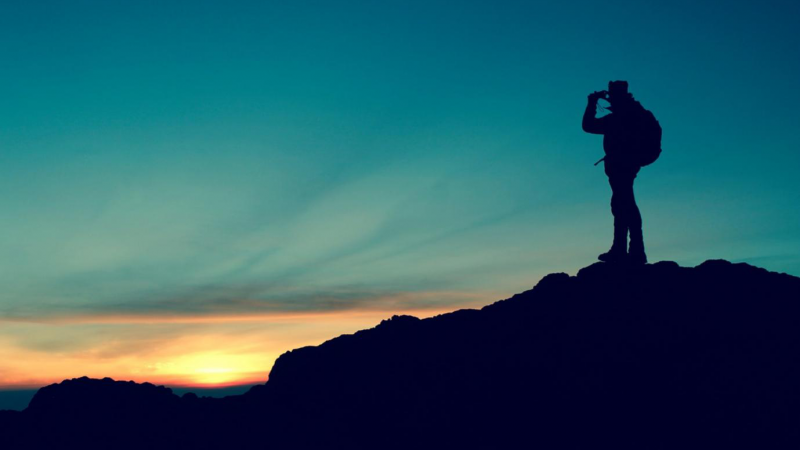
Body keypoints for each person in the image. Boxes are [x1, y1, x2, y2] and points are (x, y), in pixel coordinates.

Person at [582, 80, 651, 264]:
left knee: (624, 204)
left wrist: (591, 103)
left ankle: (630, 251)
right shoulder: (635, 113)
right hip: (627, 163)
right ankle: (626, 249)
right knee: (622, 204)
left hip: (622, 164)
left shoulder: (621, 116)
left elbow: (588, 126)